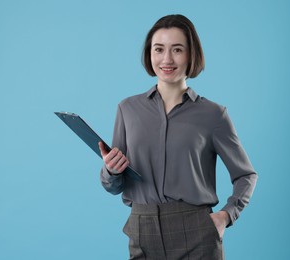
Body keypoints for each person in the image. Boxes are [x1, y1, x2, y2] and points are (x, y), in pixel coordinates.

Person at [98, 14, 257, 260]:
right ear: (149, 54)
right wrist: (111, 171)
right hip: (142, 228)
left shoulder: (213, 114)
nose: (167, 59)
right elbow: (114, 186)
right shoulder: (127, 109)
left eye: (177, 50)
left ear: (191, 55)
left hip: (196, 231)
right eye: (159, 49)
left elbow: (246, 175)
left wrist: (226, 215)